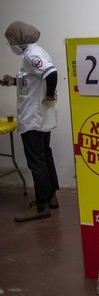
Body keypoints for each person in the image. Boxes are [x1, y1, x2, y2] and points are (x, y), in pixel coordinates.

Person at [1, 21, 59, 222]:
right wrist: (14, 81)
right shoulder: (36, 52)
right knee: (44, 155)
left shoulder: (31, 55)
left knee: (36, 161)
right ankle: (51, 197)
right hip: (41, 115)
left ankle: (41, 205)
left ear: (19, 39)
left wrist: (50, 94)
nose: (10, 45)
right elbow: (33, 80)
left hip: (33, 116)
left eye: (10, 41)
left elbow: (51, 74)